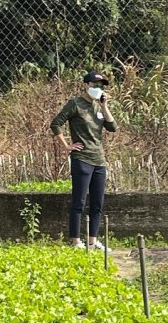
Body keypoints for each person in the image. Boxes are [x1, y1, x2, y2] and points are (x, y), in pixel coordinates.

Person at [50, 69, 117, 249]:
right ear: (86, 85)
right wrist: (66, 145)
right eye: (95, 85)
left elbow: (112, 127)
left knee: (97, 203)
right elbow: (56, 123)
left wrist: (104, 106)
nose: (98, 88)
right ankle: (75, 241)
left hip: (99, 160)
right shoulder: (76, 104)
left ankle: (93, 241)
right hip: (82, 159)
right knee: (79, 201)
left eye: (101, 86)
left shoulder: (98, 107)